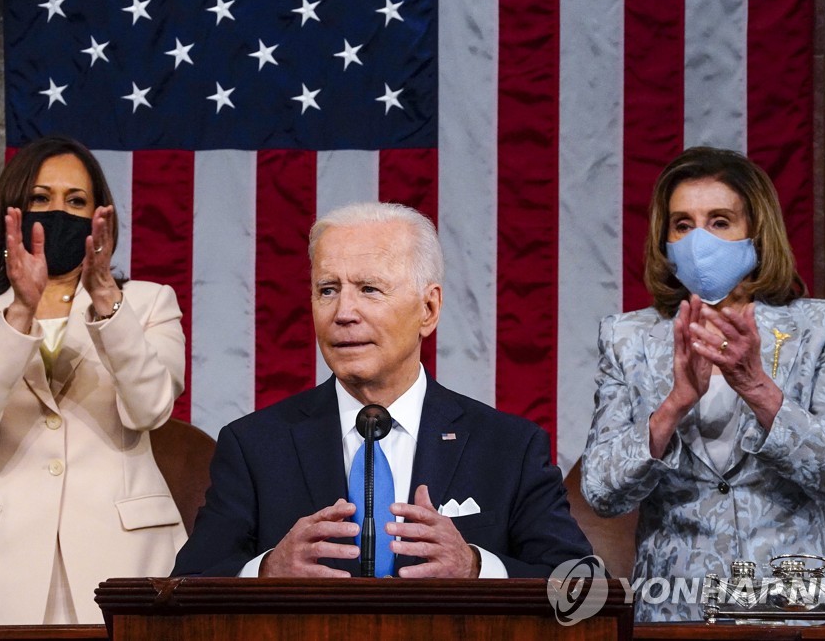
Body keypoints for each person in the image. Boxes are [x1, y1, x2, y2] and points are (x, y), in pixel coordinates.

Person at [173, 201, 591, 579]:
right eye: (327, 290)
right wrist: (266, 572)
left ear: (428, 310)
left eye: (369, 289)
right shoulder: (255, 446)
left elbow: (585, 591)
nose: (344, 313)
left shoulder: (508, 448)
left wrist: (476, 567)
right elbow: (186, 588)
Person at [581, 146, 825, 621]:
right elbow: (602, 492)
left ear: (756, 232)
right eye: (682, 225)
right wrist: (673, 405)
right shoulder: (627, 338)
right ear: (665, 241)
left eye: (719, 222)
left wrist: (758, 388)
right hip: (676, 612)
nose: (700, 240)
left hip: (798, 612)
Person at [0, 136, 187, 624]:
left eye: (76, 201)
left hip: (123, 560)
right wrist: (19, 311)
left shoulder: (148, 303)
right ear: (12, 210)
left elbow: (149, 409)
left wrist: (106, 299)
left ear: (100, 217)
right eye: (41, 198)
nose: (58, 212)